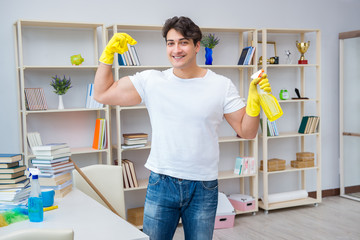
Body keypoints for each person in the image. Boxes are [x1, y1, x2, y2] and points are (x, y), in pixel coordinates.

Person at [94, 16, 271, 240]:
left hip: (203, 187)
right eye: (170, 43)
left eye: (183, 42)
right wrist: (106, 57)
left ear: (197, 46)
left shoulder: (221, 85)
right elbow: (102, 93)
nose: (176, 49)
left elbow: (248, 132)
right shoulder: (152, 81)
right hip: (161, 182)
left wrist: (254, 103)